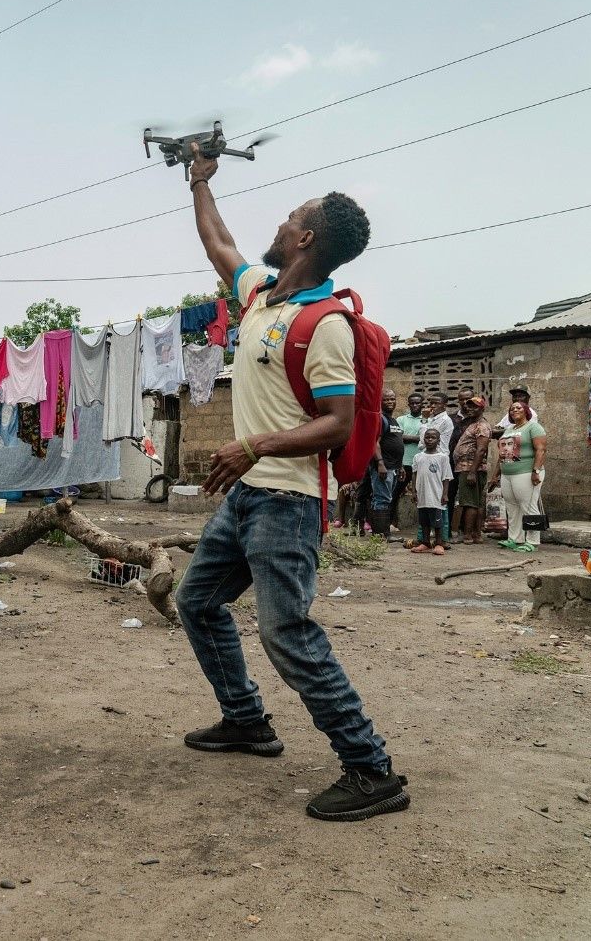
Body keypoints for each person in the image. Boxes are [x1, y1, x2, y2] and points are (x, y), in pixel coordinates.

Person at [177, 141, 407, 822]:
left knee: (287, 632)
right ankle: (247, 719)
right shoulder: (260, 297)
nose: (276, 226)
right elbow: (220, 244)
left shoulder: (324, 322)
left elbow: (337, 424)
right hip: (249, 494)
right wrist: (198, 182)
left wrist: (255, 444)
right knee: (198, 601)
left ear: (305, 238)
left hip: (288, 500)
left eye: (288, 218)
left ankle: (371, 769)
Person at [488, 400, 547, 552]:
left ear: (526, 410)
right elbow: (502, 455)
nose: (515, 410)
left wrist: (536, 471)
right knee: (512, 506)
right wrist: (495, 476)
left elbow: (540, 450)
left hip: (526, 472)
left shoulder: (533, 427)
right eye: (512, 408)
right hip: (507, 473)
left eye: (518, 407)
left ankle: (533, 541)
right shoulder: (508, 430)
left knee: (528, 505)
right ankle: (515, 538)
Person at [451, 396, 491, 544]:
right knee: (475, 502)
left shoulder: (482, 426)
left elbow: (481, 450)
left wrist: (472, 471)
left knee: (469, 503)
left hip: (470, 468)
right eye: (469, 406)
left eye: (474, 406)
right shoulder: (474, 424)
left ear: (482, 408)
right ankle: (476, 535)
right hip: (467, 468)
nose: (470, 408)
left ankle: (467, 535)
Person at [368, 388, 404, 540]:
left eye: (392, 399)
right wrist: (380, 463)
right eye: (386, 399)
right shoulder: (380, 418)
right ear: (380, 402)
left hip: (394, 467)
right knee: (382, 498)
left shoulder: (393, 420)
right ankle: (382, 534)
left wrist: (400, 466)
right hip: (384, 466)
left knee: (386, 498)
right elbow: (374, 442)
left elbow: (397, 443)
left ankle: (382, 533)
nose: (390, 402)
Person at [410, 428, 453, 555]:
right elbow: (414, 475)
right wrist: (414, 491)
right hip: (422, 495)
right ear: (423, 439)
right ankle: (426, 542)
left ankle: (439, 543)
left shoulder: (443, 458)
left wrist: (445, 494)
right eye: (427, 437)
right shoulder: (418, 457)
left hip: (436, 494)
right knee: (424, 520)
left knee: (437, 521)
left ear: (438, 441)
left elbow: (446, 477)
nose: (429, 440)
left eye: (433, 437)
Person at [419, 393, 455, 542]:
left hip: (439, 459)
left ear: (444, 405)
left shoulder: (445, 421)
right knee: (426, 500)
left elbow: (424, 438)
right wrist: (426, 420)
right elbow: (423, 441)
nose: (432, 406)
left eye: (436, 403)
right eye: (431, 403)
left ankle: (443, 539)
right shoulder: (433, 419)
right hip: (427, 457)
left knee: (440, 500)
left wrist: (425, 420)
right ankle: (424, 538)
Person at [392, 392, 425, 531]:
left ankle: (424, 526)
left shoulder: (427, 420)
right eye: (412, 403)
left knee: (424, 494)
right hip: (404, 462)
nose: (415, 405)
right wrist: (420, 438)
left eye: (418, 403)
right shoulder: (401, 419)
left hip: (422, 463)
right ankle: (392, 523)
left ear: (422, 404)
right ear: (408, 404)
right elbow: (398, 437)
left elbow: (431, 438)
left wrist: (408, 437)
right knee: (395, 493)